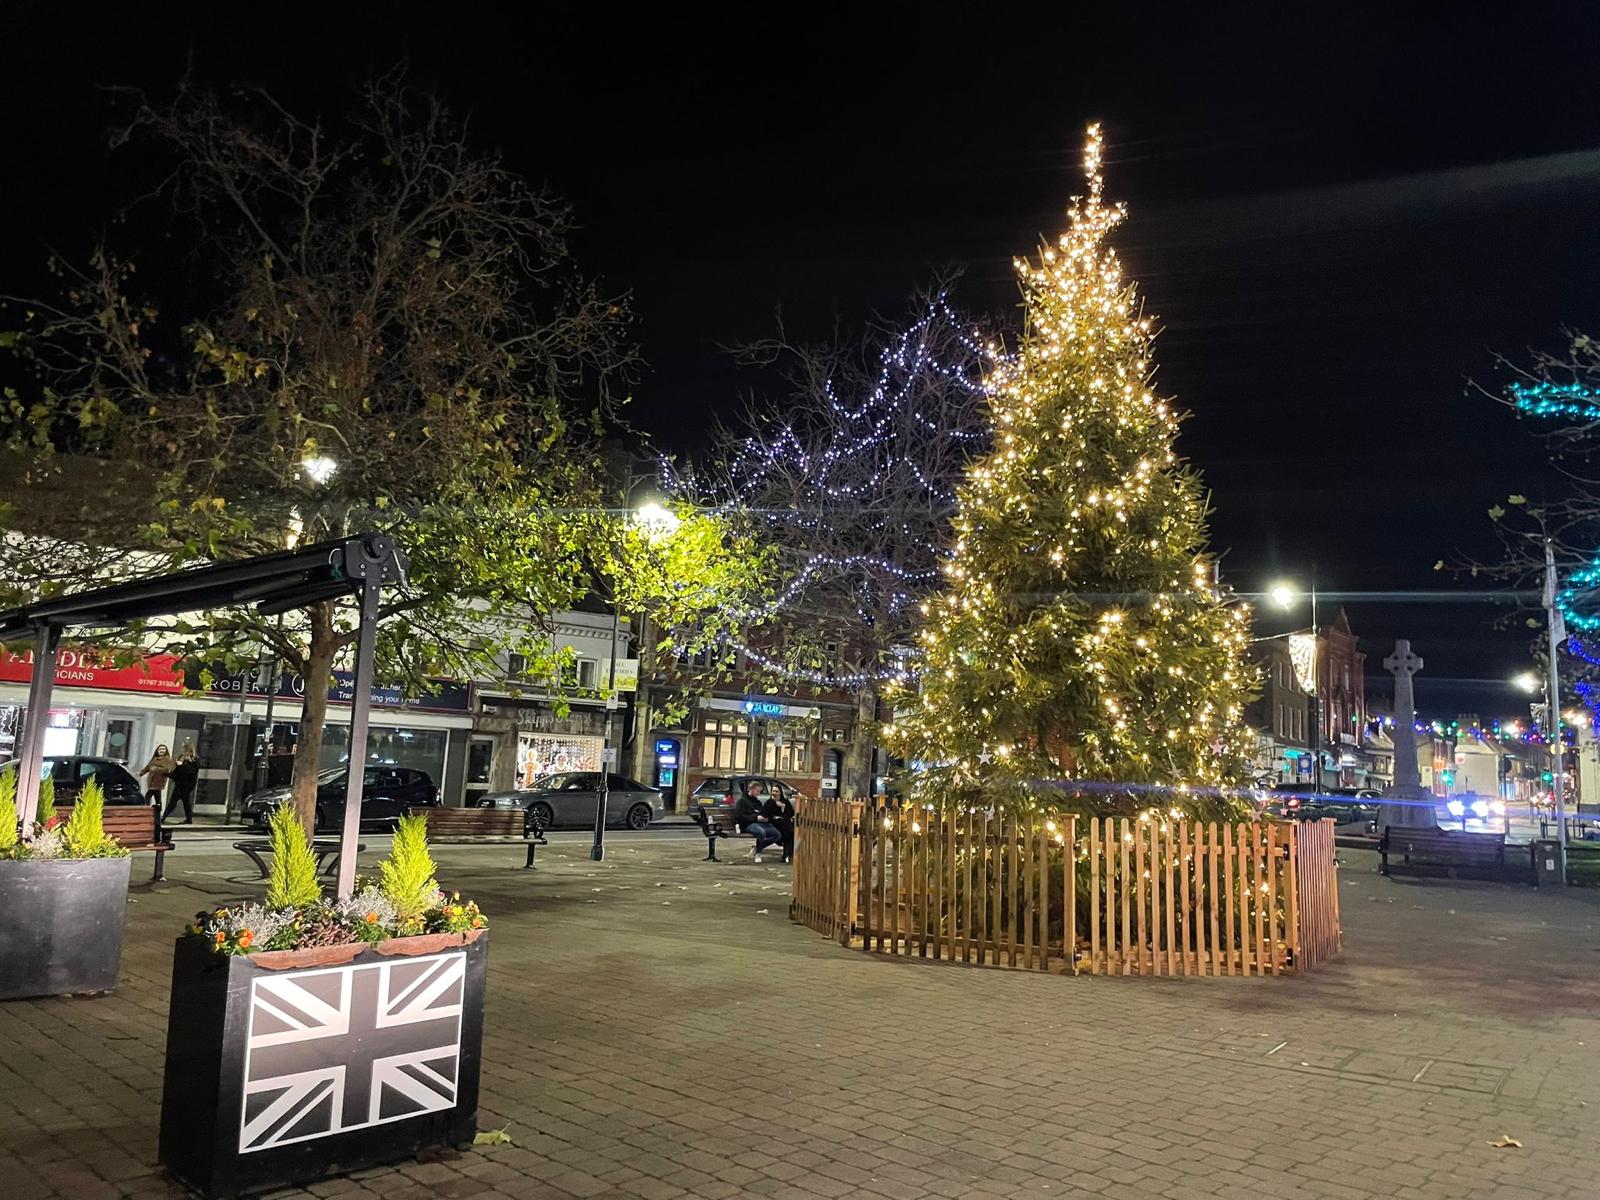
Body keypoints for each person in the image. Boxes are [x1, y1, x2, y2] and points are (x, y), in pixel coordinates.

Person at [734, 782, 782, 862]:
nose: (759, 793)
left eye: (760, 791)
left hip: (761, 823)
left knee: (777, 834)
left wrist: (766, 817)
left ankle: (757, 847)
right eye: (757, 791)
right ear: (751, 789)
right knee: (761, 832)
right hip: (748, 824)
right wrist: (756, 818)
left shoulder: (757, 802)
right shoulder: (742, 801)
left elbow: (761, 812)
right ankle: (758, 853)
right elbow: (739, 817)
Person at [162, 741, 201, 825]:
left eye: (184, 748)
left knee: (175, 802)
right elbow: (178, 771)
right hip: (179, 783)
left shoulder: (194, 759)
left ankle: (164, 817)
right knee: (184, 802)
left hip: (186, 785)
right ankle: (188, 819)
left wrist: (181, 765)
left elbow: (191, 772)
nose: (182, 749)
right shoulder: (181, 757)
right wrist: (168, 775)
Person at [762, 787, 796, 863]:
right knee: (787, 830)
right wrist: (775, 816)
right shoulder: (769, 802)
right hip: (774, 823)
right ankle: (787, 855)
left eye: (777, 791)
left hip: (784, 823)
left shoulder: (785, 801)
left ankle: (787, 854)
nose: (775, 793)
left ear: (780, 792)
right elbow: (766, 814)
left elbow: (790, 813)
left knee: (789, 830)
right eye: (773, 791)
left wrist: (783, 808)